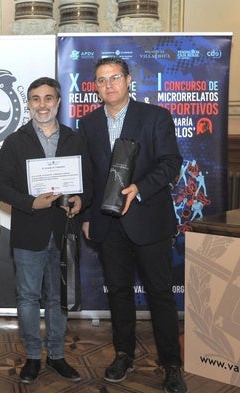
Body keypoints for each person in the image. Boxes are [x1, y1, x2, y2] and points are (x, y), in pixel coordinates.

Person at [78, 57, 187, 393]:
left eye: (114, 78)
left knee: (160, 295)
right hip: (108, 225)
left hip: (149, 221)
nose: (108, 85)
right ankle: (123, 354)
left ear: (128, 81)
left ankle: (171, 365)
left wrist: (139, 189)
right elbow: (89, 175)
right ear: (94, 87)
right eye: (101, 80)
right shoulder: (90, 124)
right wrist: (85, 216)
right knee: (119, 294)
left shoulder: (155, 117)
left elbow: (171, 163)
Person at [0, 77, 88, 384]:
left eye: (48, 98)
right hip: (28, 231)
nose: (42, 104)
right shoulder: (14, 141)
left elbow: (91, 183)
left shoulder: (76, 139)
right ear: (29, 104)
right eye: (36, 99)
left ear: (58, 102)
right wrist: (30, 203)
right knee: (28, 297)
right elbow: (1, 187)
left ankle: (57, 356)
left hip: (65, 231)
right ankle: (33, 357)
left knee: (59, 297)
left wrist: (79, 201)